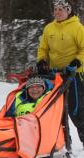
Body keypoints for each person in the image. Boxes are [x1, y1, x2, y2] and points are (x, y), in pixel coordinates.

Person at [36, 0, 84, 147]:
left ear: (68, 11)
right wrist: (41, 61)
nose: (57, 12)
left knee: (76, 110)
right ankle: (60, 144)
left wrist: (76, 62)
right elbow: (43, 48)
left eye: (61, 9)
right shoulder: (49, 28)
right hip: (54, 75)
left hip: (73, 75)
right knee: (54, 111)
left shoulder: (77, 28)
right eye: (55, 9)